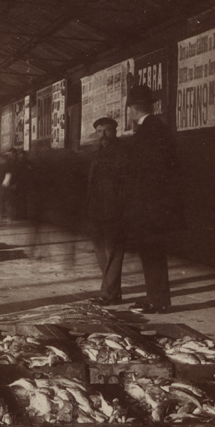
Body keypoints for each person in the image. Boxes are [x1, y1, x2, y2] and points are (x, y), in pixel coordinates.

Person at [123, 84, 185, 314]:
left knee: (151, 252)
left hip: (150, 205)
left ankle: (156, 300)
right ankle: (157, 299)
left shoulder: (149, 131)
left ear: (132, 109)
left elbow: (152, 170)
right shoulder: (156, 128)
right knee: (152, 252)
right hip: (155, 204)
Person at [86, 117, 129, 305]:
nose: (103, 135)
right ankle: (113, 291)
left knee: (113, 252)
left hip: (114, 209)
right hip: (96, 208)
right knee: (100, 251)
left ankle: (108, 293)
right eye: (99, 131)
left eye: (107, 131)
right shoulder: (98, 152)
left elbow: (126, 183)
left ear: (115, 131)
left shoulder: (121, 152)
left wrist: (121, 206)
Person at [0, 151, 13, 223]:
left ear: (2, 158)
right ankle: (6, 217)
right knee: (5, 202)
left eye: (0, 158)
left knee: (3, 202)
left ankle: (3, 218)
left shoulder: (4, 166)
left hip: (3, 187)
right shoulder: (5, 165)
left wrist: (2, 185)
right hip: (2, 186)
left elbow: (8, 176)